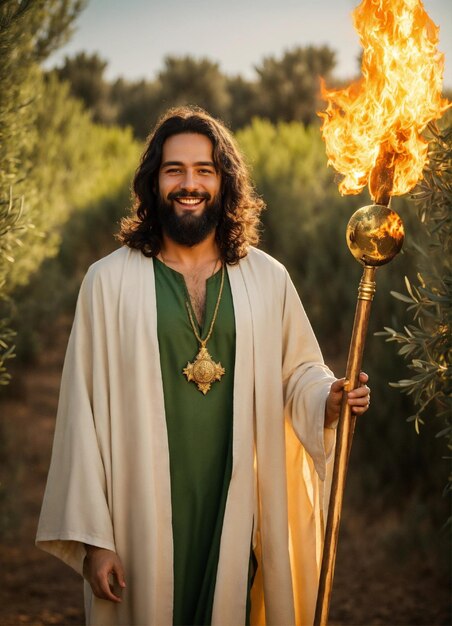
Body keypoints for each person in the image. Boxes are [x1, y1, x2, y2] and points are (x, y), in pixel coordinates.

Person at [36, 106, 370, 626]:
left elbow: (298, 371)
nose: (188, 184)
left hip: (235, 507)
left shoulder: (267, 279)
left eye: (204, 171)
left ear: (224, 183)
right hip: (137, 513)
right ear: (153, 182)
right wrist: (96, 542)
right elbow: (81, 416)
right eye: (175, 170)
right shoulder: (107, 283)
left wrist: (326, 398)